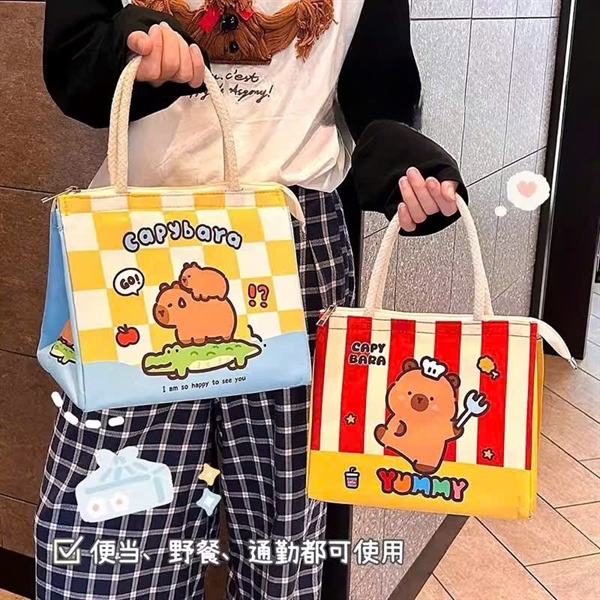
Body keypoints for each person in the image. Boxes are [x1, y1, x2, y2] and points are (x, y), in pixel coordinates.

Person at [37, 1, 468, 599]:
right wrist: (128, 46)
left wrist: (407, 169)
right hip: (139, 236)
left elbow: (380, 95)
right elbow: (72, 64)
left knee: (285, 525)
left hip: (293, 237)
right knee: (106, 534)